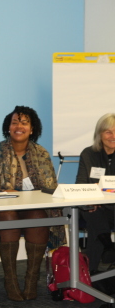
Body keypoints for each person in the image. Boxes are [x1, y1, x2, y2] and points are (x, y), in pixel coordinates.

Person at [0, 105, 65, 301]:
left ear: (32, 128)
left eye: (24, 122)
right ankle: (10, 281)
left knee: (38, 216)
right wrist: (1, 190)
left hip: (32, 209)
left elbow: (50, 186)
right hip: (2, 209)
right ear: (8, 127)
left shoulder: (41, 153)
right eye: (15, 122)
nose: (19, 126)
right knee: (8, 215)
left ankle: (31, 280)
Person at [76, 113, 115, 273]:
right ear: (100, 134)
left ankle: (89, 275)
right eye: (108, 132)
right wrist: (93, 198)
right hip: (94, 207)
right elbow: (80, 184)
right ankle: (106, 249)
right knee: (93, 213)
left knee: (96, 227)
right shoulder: (88, 154)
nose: (113, 136)